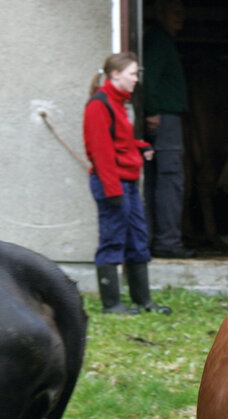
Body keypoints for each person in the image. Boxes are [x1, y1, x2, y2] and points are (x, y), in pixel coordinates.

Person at [83, 52, 171, 314]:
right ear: (115, 75)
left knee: (137, 239)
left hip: (127, 184)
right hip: (113, 184)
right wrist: (113, 192)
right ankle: (112, 304)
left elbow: (118, 143)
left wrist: (139, 146)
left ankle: (142, 301)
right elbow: (101, 153)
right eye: (133, 74)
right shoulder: (99, 105)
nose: (136, 79)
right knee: (112, 239)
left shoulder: (119, 103)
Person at [143, 0, 195, 258]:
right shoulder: (160, 41)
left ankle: (156, 239)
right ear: (160, 13)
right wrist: (152, 111)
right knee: (170, 178)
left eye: (182, 12)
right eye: (175, 12)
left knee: (158, 179)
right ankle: (168, 242)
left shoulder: (159, 40)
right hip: (164, 118)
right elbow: (148, 78)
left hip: (163, 116)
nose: (180, 18)